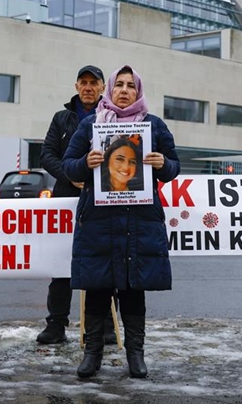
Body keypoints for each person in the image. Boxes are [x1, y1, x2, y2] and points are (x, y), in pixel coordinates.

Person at [63, 65, 180, 378]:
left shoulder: (153, 126)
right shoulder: (91, 125)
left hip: (139, 220)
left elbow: (174, 168)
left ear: (138, 91)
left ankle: (136, 354)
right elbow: (68, 167)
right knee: (98, 288)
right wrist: (85, 163)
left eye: (131, 85)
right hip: (99, 221)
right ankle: (92, 354)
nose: (125, 90)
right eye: (120, 85)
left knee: (133, 288)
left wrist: (163, 163)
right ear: (110, 90)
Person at [37, 65, 120, 345]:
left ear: (101, 88)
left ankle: (106, 326)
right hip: (66, 198)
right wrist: (71, 176)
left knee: (104, 264)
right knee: (61, 265)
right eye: (83, 82)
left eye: (93, 83)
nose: (88, 87)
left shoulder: (114, 117)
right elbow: (47, 155)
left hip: (102, 199)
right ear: (76, 86)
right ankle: (56, 324)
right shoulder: (61, 119)